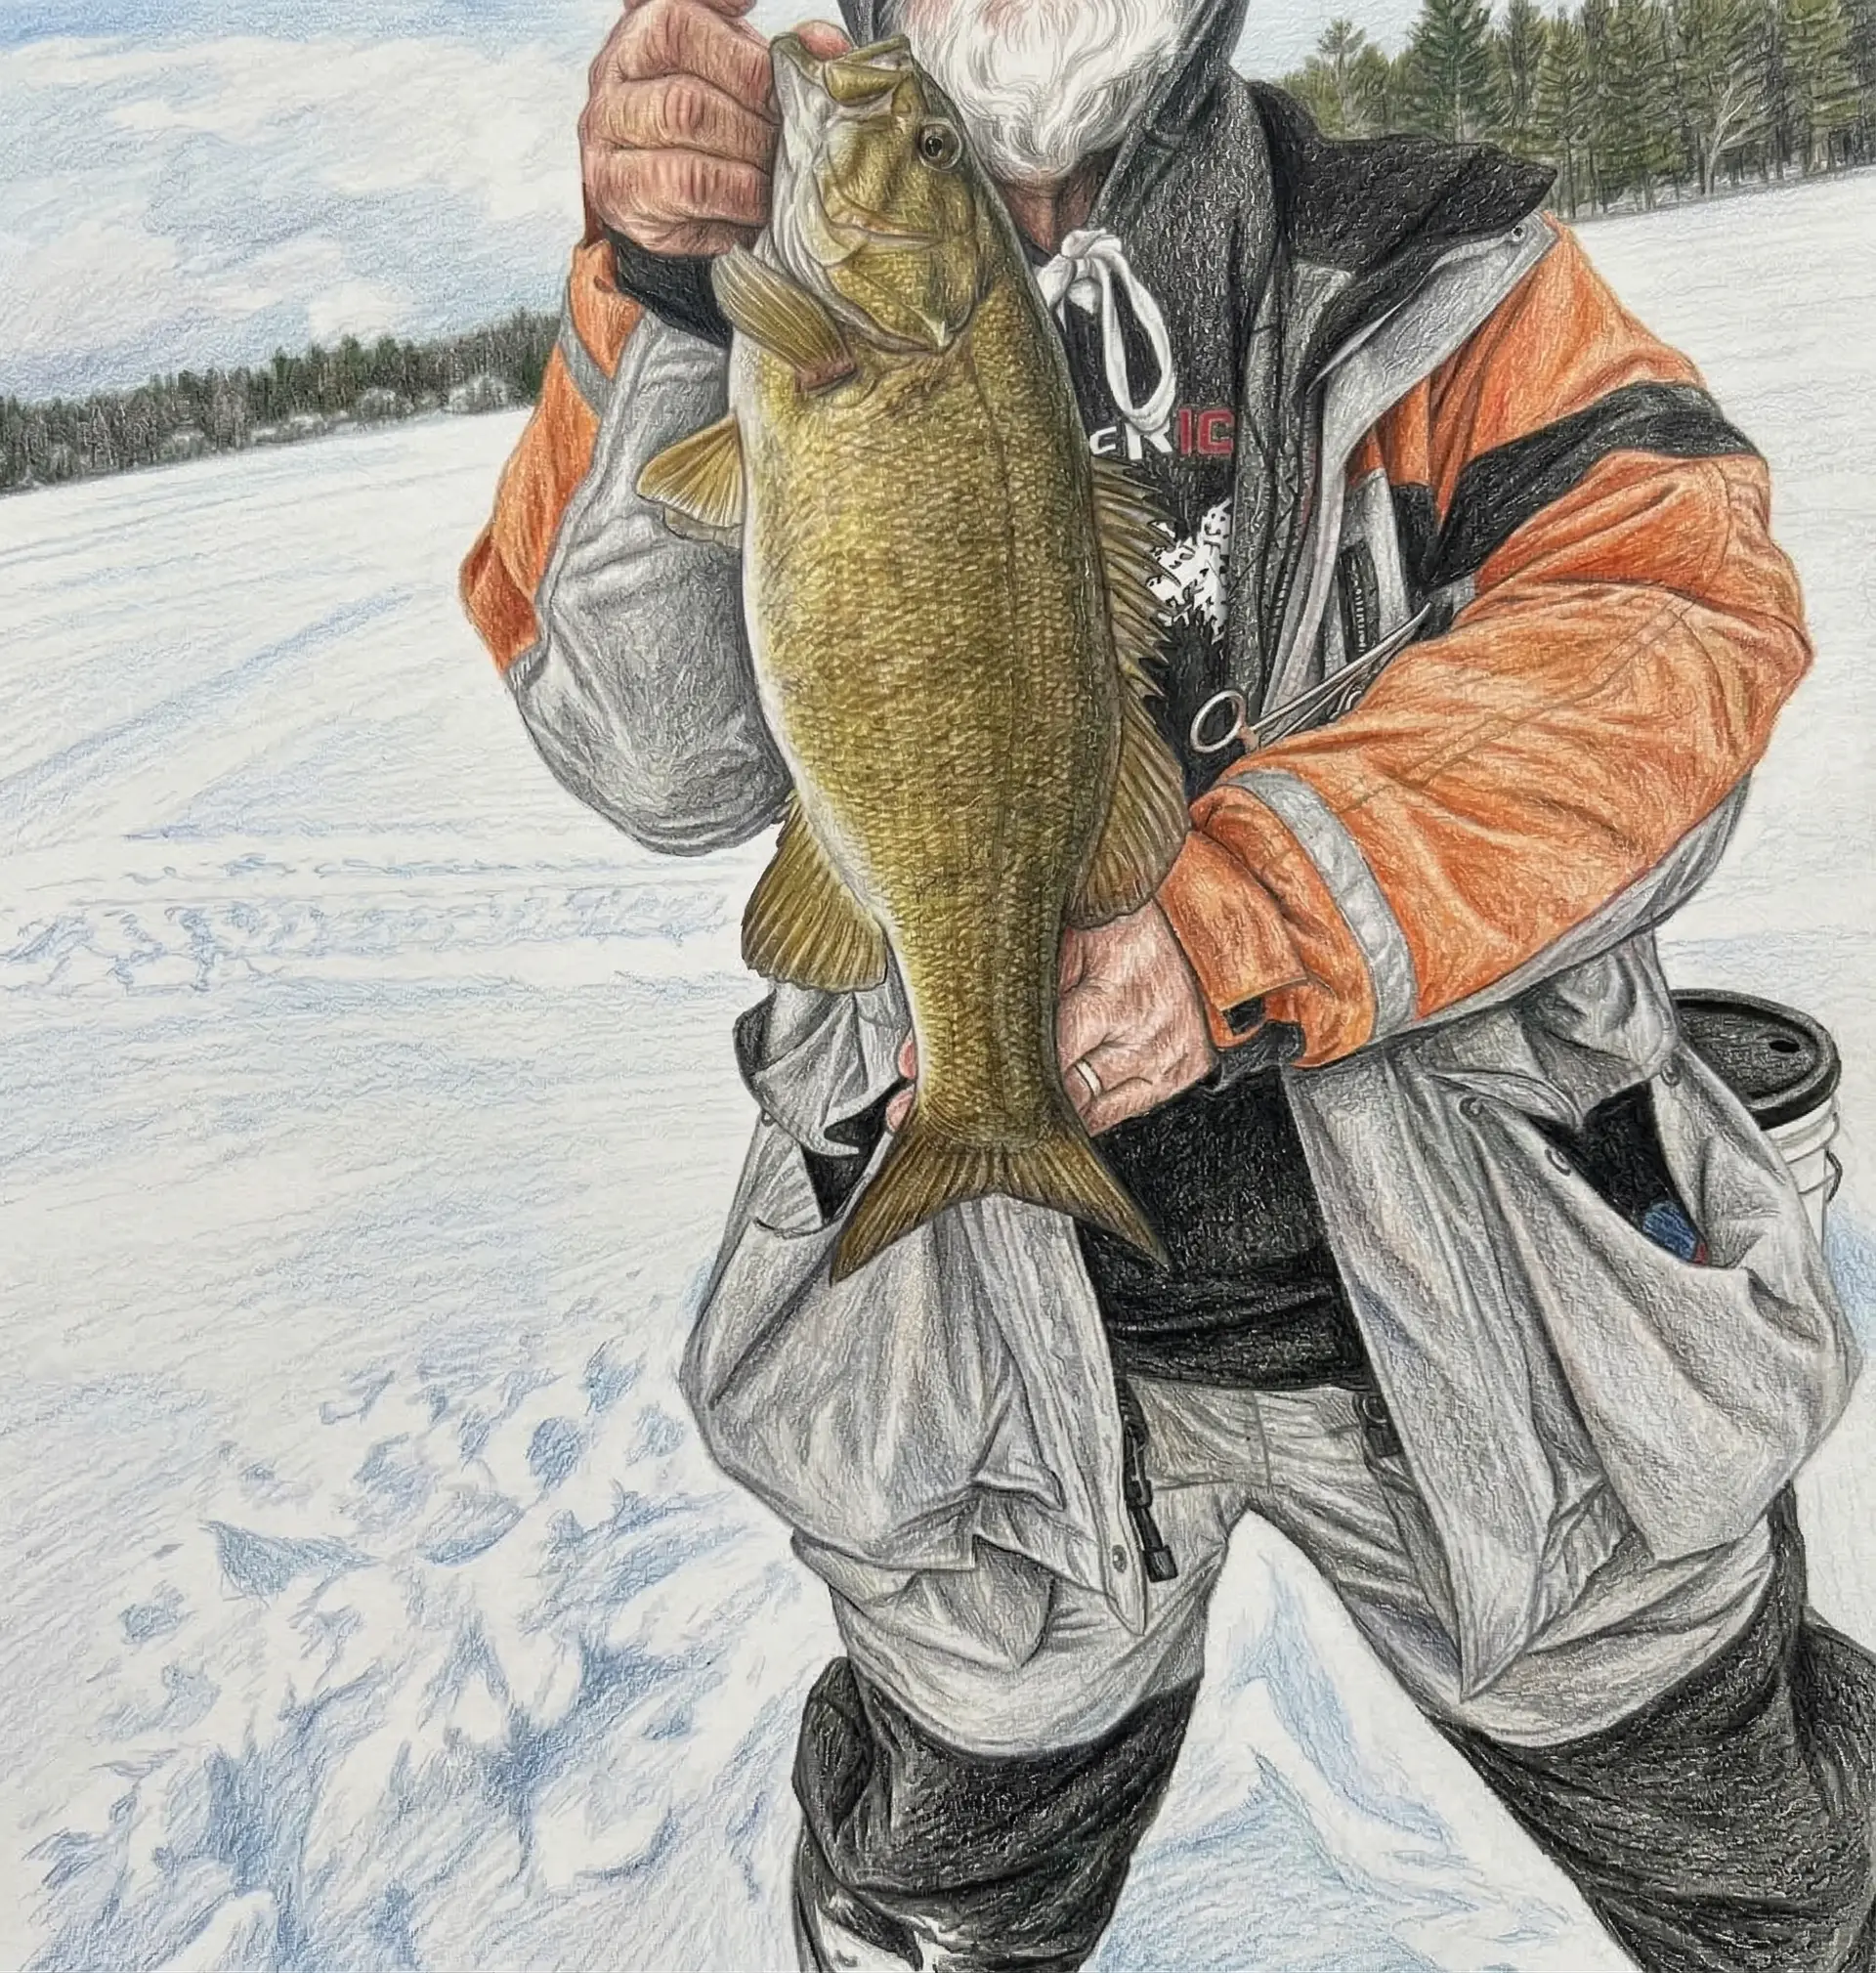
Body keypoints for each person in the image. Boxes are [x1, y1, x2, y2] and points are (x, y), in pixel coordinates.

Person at [461, 0, 1876, 1964]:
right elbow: (653, 751)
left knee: (1773, 1866)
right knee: (942, 1892)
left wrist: (1254, 907)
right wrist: (660, 293)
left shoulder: (1431, 250)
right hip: (974, 1348)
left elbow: (1671, 616)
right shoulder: (751, 276)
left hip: (1511, 1319)